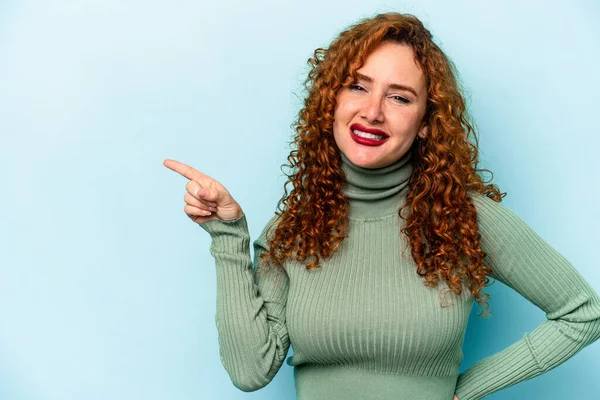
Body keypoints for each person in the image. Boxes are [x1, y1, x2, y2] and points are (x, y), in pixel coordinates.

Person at [163, 12, 600, 400]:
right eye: (358, 86)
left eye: (400, 97)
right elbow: (250, 371)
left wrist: (466, 391)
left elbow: (583, 313)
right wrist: (228, 234)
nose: (372, 111)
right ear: (330, 103)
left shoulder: (464, 219)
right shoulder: (292, 231)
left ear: (427, 124)